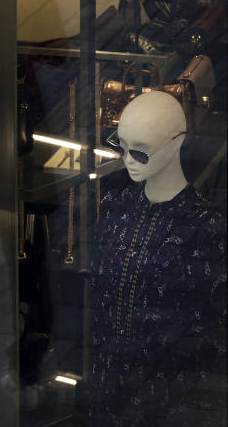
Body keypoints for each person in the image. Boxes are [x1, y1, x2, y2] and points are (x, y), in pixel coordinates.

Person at [89, 91, 227, 425]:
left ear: (178, 142)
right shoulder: (113, 207)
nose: (128, 160)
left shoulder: (205, 226)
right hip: (105, 384)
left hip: (170, 398)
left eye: (141, 151)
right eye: (120, 146)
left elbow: (210, 332)